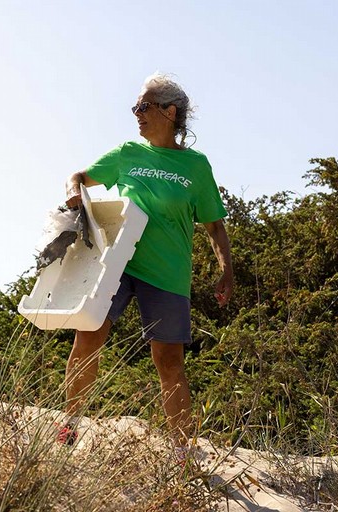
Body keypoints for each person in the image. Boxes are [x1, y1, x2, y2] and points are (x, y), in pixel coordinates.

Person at [61, 73, 233, 461]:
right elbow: (79, 176)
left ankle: (183, 453)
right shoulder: (127, 153)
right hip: (116, 265)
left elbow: (214, 225)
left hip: (167, 274)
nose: (136, 114)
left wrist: (226, 269)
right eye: (135, 107)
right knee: (87, 339)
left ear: (170, 112)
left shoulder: (196, 165)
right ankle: (68, 426)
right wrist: (75, 192)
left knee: (169, 362)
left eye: (144, 107)